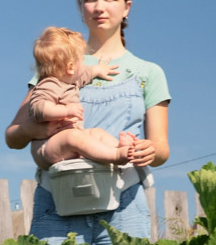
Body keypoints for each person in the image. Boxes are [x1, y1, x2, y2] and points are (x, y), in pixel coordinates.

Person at [5, 0, 171, 245]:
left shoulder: (149, 72)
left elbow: (161, 148)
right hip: (58, 200)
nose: (99, 7)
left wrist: (150, 151)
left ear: (127, 7)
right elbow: (13, 136)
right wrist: (46, 126)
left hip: (123, 205)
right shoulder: (55, 64)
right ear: (80, 7)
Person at [28, 26, 137, 168]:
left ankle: (119, 148)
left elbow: (86, 73)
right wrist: (66, 110)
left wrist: (98, 69)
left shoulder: (70, 79)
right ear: (70, 67)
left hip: (68, 141)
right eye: (82, 59)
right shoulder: (49, 84)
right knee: (74, 137)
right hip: (47, 146)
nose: (85, 64)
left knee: (95, 133)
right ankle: (116, 156)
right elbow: (39, 108)